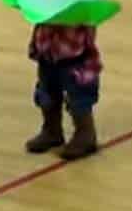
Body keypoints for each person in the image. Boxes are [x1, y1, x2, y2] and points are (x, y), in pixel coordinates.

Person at [24, 23, 101, 160]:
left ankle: (85, 135)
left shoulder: (81, 6)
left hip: (76, 57)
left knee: (79, 98)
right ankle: (51, 131)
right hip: (47, 52)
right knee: (46, 93)